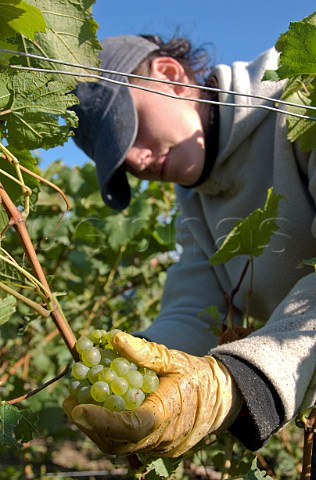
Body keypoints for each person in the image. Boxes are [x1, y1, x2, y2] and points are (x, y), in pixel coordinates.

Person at [63, 34, 316, 458]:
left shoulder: (299, 90)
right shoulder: (193, 201)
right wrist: (135, 364)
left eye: (130, 131)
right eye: (122, 163)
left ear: (170, 75)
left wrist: (240, 380)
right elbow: (194, 308)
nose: (138, 162)